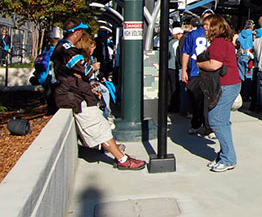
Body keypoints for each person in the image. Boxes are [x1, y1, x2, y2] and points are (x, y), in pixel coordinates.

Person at [52, 19, 145, 170]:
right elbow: (86, 71)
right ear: (76, 32)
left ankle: (120, 156)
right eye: (81, 31)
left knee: (102, 126)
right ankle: (122, 160)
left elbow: (80, 73)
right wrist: (90, 69)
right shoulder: (67, 49)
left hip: (75, 94)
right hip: (74, 97)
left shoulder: (61, 47)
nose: (82, 34)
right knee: (100, 128)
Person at [197, 15, 241, 172]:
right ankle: (224, 155)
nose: (205, 28)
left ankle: (229, 158)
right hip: (229, 84)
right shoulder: (223, 42)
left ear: (216, 27)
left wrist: (199, 63)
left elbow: (214, 65)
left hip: (226, 85)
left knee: (215, 120)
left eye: (207, 25)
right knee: (222, 121)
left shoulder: (218, 43)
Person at [181, 10, 215, 137]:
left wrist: (184, 70)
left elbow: (186, 52)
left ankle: (205, 126)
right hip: (199, 71)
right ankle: (200, 124)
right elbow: (186, 52)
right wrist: (184, 70)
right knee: (200, 100)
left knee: (204, 101)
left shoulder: (196, 34)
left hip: (205, 71)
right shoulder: (197, 34)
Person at [237, 19, 255, 102]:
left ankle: (240, 93)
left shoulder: (240, 34)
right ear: (252, 26)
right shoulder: (253, 34)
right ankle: (247, 95)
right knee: (248, 76)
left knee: (240, 75)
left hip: (240, 56)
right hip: (249, 57)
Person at [167, 27, 184, 112]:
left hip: (168, 67)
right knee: (175, 87)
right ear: (177, 35)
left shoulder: (169, 42)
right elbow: (177, 55)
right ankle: (175, 105)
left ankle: (169, 104)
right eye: (180, 34)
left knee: (169, 87)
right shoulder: (177, 43)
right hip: (174, 67)